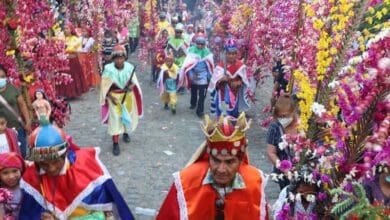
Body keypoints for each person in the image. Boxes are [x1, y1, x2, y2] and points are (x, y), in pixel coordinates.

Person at [157, 113, 269, 219]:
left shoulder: (254, 183)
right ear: (208, 157)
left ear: (240, 161)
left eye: (229, 162)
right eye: (216, 160)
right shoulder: (186, 182)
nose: (221, 169)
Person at [19, 123, 134, 219]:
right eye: (44, 164)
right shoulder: (32, 176)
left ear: (66, 153)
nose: (52, 169)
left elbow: (108, 209)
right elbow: (29, 214)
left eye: (55, 162)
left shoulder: (87, 166)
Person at [100, 45, 143, 156]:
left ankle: (125, 133)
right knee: (115, 119)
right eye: (117, 58)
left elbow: (134, 81)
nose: (119, 60)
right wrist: (110, 96)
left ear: (125, 58)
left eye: (121, 58)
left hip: (127, 96)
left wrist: (131, 86)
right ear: (113, 59)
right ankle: (115, 143)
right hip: (114, 97)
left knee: (126, 115)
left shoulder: (129, 67)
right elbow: (104, 87)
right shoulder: (108, 69)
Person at [209, 38, 251, 118]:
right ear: (225, 54)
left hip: (234, 94)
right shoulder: (220, 66)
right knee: (222, 116)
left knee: (233, 116)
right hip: (222, 94)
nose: (231, 56)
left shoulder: (240, 66)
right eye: (229, 54)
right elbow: (214, 83)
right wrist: (221, 79)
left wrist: (239, 82)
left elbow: (244, 81)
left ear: (236, 54)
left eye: (233, 54)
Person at [266, 95, 298, 190]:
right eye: (280, 116)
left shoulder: (303, 124)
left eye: (285, 116)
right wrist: (284, 169)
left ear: (293, 112)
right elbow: (271, 152)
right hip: (284, 174)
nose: (283, 119)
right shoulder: (275, 127)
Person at [0, 65, 31, 158]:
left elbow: (22, 105)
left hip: (17, 127)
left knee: (22, 153)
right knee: (6, 156)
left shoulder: (12, 88)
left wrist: (27, 121)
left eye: (2, 77)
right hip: (2, 131)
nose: (1, 79)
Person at [181, 33, 214, 118]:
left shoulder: (207, 52)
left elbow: (209, 65)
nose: (200, 45)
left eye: (202, 44)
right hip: (194, 74)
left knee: (202, 94)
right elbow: (188, 64)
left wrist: (209, 75)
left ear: (204, 44)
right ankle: (193, 103)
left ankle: (200, 110)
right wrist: (190, 74)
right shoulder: (192, 50)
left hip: (203, 76)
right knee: (194, 91)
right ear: (195, 43)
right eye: (198, 43)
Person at [0, 152, 24, 219]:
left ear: (21, 170)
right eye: (5, 173)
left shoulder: (28, 189)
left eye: (15, 171)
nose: (11, 176)